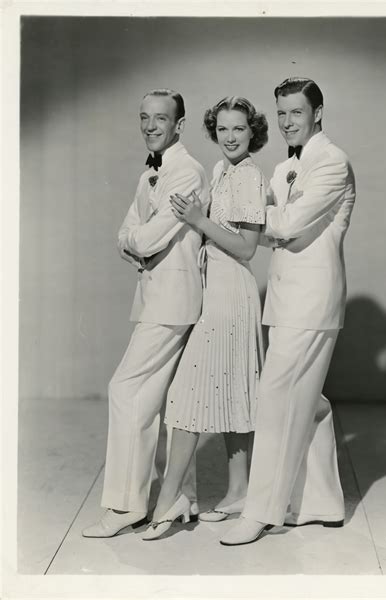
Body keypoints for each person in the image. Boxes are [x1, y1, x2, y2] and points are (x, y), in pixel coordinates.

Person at [221, 77, 356, 546]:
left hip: (313, 303)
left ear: (317, 113)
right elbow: (276, 226)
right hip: (284, 301)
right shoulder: (283, 169)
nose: (285, 122)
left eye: (295, 113)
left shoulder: (333, 162)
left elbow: (291, 225)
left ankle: (261, 511)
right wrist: (268, 220)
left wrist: (257, 216)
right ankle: (320, 504)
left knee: (276, 400)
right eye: (280, 113)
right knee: (308, 402)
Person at [82, 89, 209, 538]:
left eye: (161, 118)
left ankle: (126, 506)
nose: (151, 126)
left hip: (173, 299)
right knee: (157, 399)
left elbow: (147, 238)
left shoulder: (187, 171)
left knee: (126, 389)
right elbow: (124, 231)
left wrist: (134, 239)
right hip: (158, 297)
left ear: (179, 124)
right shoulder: (150, 174)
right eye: (144, 118)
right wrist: (132, 238)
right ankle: (182, 497)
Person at [141, 96, 268, 541]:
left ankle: (168, 501)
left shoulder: (250, 176)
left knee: (189, 396)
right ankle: (239, 491)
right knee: (231, 390)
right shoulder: (220, 171)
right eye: (224, 129)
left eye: (239, 129)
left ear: (253, 132)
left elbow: (248, 248)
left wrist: (197, 218)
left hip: (232, 292)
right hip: (214, 287)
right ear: (215, 131)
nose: (231, 137)